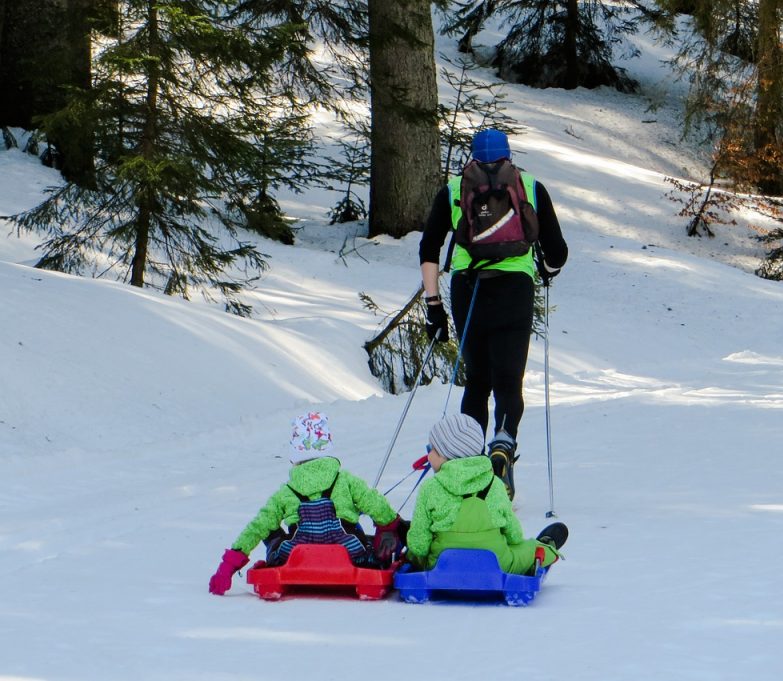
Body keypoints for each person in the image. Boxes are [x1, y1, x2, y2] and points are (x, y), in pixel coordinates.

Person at [419, 128, 568, 499]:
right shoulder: (530, 186)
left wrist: (433, 305)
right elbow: (558, 251)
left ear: (472, 157)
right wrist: (546, 271)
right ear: (508, 156)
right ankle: (503, 447)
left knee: (477, 382)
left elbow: (429, 246)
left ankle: (469, 467)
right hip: (514, 290)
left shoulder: (455, 190)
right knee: (508, 380)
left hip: (469, 290)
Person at [208, 412, 404, 595]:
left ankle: (280, 559)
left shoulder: (286, 492)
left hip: (295, 555)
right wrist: (393, 526)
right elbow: (378, 506)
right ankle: (376, 556)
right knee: (369, 528)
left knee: (267, 525)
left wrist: (228, 566)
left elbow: (256, 527)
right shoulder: (346, 480)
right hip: (351, 554)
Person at [405, 413, 568, 575]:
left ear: (446, 454)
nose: (428, 454)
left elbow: (418, 544)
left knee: (416, 553)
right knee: (528, 549)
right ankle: (546, 547)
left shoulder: (430, 488)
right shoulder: (495, 484)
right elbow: (515, 536)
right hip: (497, 564)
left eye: (432, 449)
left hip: (440, 565)